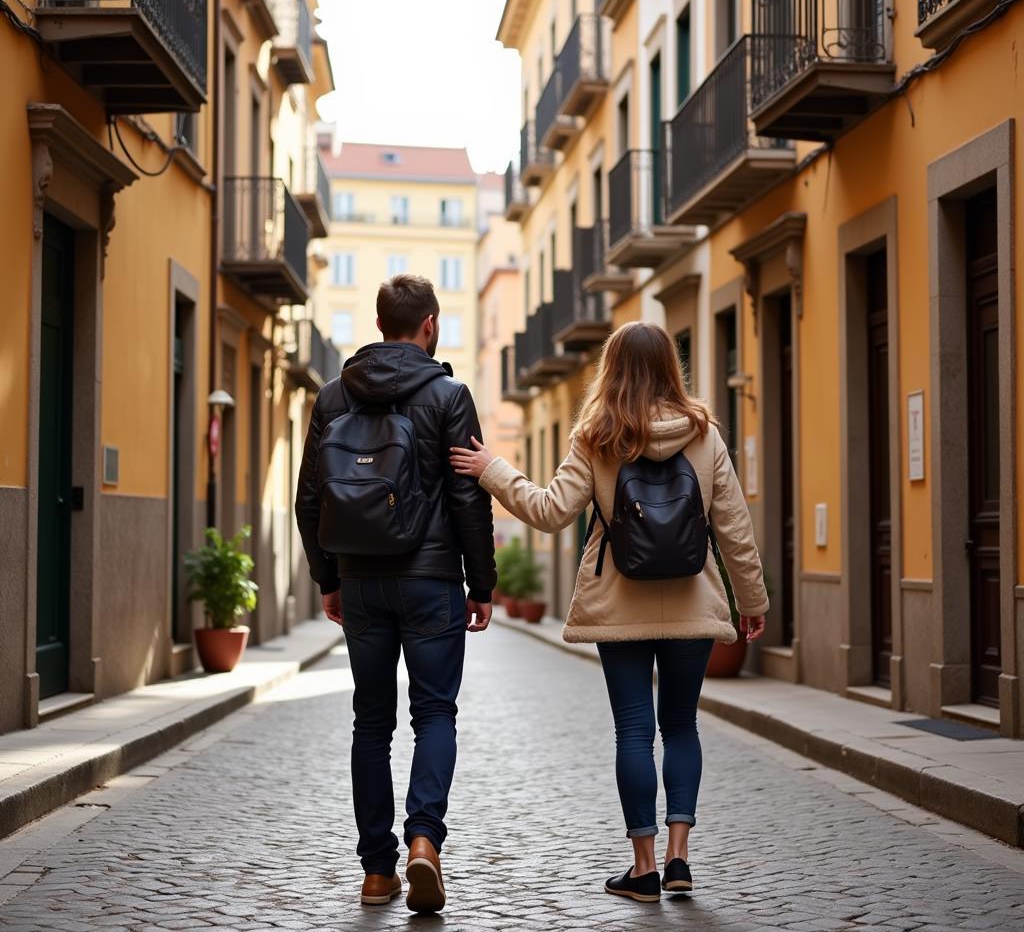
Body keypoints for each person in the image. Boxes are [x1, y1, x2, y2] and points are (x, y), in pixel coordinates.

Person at [451, 321, 768, 904]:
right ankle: (679, 859)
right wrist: (752, 603)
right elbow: (735, 530)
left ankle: (643, 868)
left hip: (619, 607)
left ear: (611, 369)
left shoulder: (596, 438)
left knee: (633, 729)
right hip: (695, 605)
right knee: (682, 727)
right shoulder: (705, 436)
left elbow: (549, 511)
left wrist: (492, 469)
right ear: (672, 368)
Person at [296, 274, 496, 914]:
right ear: (429, 325)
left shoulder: (332, 396)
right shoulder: (449, 396)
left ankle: (377, 872)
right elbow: (469, 497)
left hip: (360, 582)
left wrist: (329, 578)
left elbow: (309, 500)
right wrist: (481, 583)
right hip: (432, 579)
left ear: (380, 324)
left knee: (371, 722)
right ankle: (423, 843)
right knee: (434, 714)